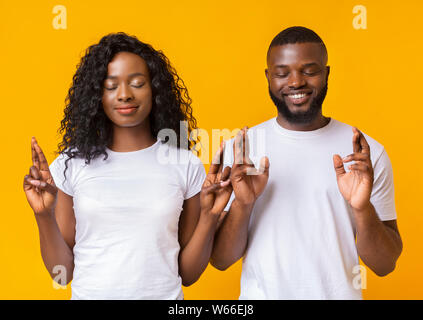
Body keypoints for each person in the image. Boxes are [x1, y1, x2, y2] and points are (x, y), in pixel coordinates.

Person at [23, 32, 233, 300]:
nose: (124, 95)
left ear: (154, 89)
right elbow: (61, 273)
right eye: (111, 86)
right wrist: (43, 215)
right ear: (96, 95)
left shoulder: (185, 164)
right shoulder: (70, 165)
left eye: (137, 83)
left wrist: (210, 216)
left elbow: (188, 275)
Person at [211, 26, 403, 299]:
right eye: (282, 73)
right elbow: (220, 260)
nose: (296, 82)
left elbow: (384, 265)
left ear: (327, 73)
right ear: (268, 77)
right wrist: (244, 203)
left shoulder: (364, 153)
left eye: (309, 70)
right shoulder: (242, 151)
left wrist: (361, 208)